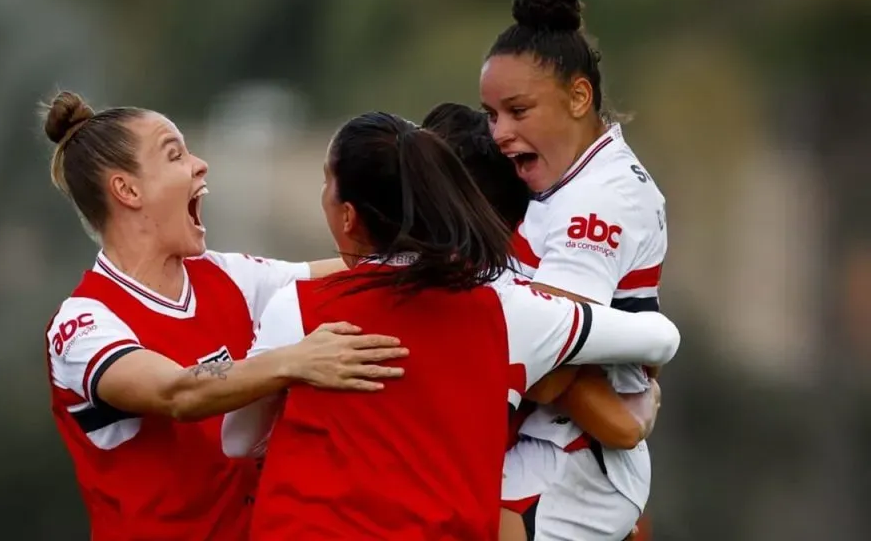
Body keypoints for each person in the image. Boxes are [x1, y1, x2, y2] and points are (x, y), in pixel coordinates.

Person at [221, 111, 679, 540]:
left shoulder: (299, 307)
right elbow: (660, 337)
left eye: (326, 181)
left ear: (348, 216)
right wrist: (642, 382)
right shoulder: (508, 306)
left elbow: (238, 439)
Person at [41, 91, 409, 541]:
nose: (200, 164)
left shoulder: (222, 274)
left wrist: (437, 250)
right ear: (128, 190)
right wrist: (294, 360)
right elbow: (176, 392)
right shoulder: (84, 322)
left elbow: (354, 268)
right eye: (175, 155)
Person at [479, 0, 669, 541]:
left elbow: (547, 354)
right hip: (551, 451)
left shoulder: (599, 202)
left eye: (517, 110)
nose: (500, 132)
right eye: (491, 115)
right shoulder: (560, 181)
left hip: (569, 467)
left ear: (579, 97)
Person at [424, 102, 659, 540]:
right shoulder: (434, 279)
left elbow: (616, 421)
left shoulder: (496, 288)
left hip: (544, 487)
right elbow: (629, 418)